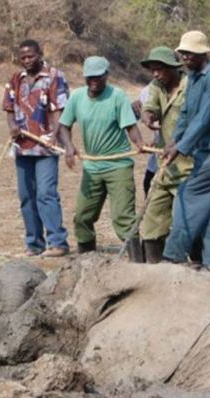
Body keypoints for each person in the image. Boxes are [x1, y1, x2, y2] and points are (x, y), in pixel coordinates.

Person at [162, 31, 210, 270]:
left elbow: (204, 119)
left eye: (190, 53)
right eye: (182, 53)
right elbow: (186, 114)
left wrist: (181, 148)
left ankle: (172, 256)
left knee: (188, 196)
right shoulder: (193, 77)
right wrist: (173, 141)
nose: (185, 57)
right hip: (206, 150)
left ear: (202, 54)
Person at [57, 56, 145, 260]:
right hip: (92, 166)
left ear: (106, 75)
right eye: (90, 77)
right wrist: (69, 146)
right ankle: (86, 262)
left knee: (123, 218)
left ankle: (138, 264)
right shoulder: (77, 97)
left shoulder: (117, 96)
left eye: (98, 76)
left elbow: (130, 125)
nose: (94, 81)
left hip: (118, 166)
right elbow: (64, 126)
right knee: (82, 217)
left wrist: (140, 143)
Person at [2, 39, 69, 257]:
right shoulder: (16, 79)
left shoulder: (54, 76)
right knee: (26, 196)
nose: (27, 61)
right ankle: (34, 244)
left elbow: (60, 111)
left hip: (46, 148)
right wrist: (13, 127)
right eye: (23, 57)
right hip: (22, 147)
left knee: (46, 193)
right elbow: (9, 108)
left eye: (31, 56)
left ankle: (57, 243)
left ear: (40, 54)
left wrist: (55, 135)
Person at [139, 46, 193, 263]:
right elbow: (150, 106)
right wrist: (148, 115)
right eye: (152, 69)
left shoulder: (191, 86)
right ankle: (153, 269)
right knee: (152, 219)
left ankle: (197, 264)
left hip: (189, 166)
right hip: (165, 167)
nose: (155, 74)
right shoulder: (156, 86)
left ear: (173, 68)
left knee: (187, 221)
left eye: (159, 69)